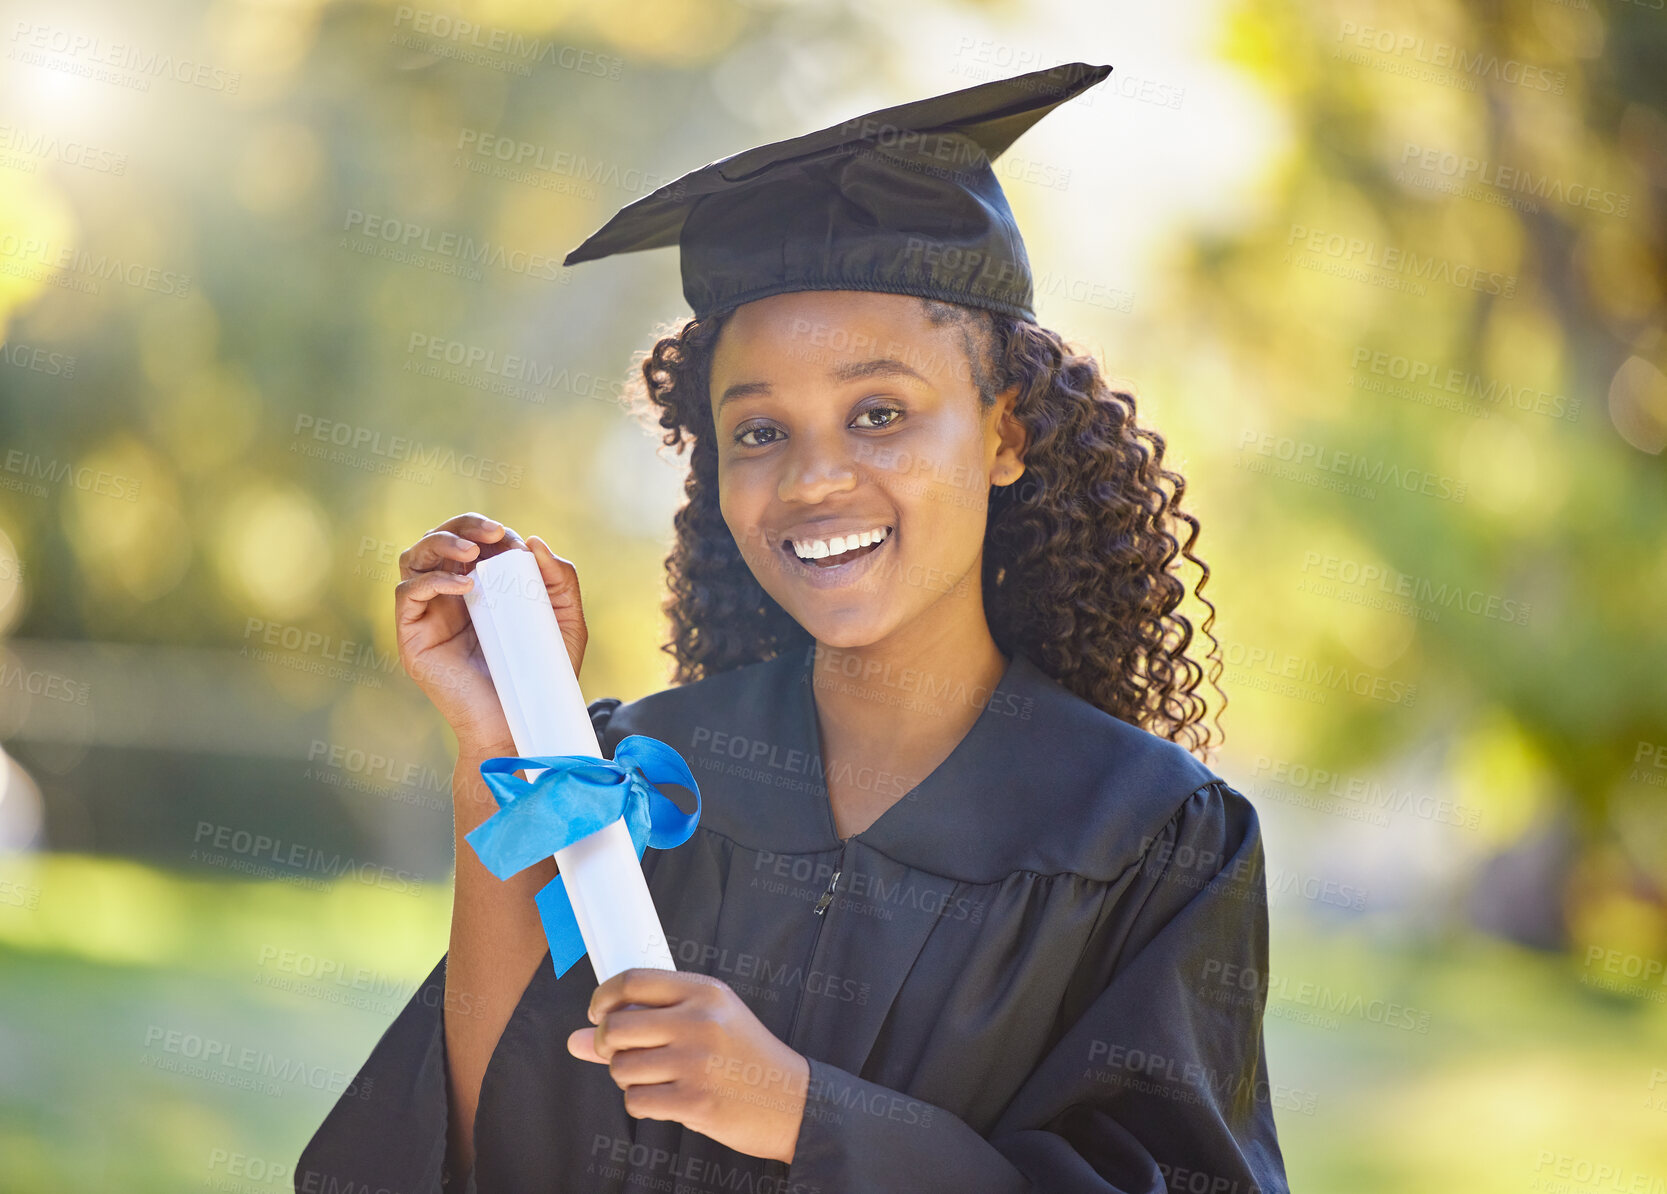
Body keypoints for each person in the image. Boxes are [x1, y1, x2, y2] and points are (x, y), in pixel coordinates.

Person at [297, 61, 1291, 1194]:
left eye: (879, 414)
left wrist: (805, 1113)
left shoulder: (1147, 835)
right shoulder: (642, 777)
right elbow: (482, 1156)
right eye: (758, 432)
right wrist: (498, 749)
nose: (817, 477)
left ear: (1004, 434)